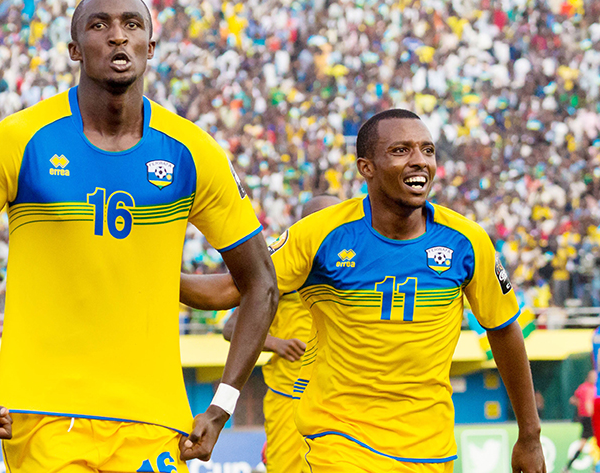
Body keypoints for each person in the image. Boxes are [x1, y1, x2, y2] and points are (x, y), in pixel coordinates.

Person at [0, 0, 278, 472]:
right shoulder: (21, 139)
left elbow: (260, 283)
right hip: (43, 415)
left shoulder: (192, 151)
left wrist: (223, 405)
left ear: (150, 48)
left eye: (132, 25)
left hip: (155, 421)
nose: (117, 37)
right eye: (99, 25)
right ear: (74, 49)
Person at [180, 109, 545, 472]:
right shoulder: (320, 233)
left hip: (430, 450)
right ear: (366, 167)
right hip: (340, 441)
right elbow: (233, 288)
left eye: (428, 150)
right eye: (401, 150)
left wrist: (529, 436)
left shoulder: (468, 242)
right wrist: (156, 277)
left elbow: (504, 329)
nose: (420, 161)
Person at [220, 195, 339, 473]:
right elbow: (230, 327)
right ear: (307, 224)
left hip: (340, 395)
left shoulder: (354, 266)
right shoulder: (282, 267)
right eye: (330, 218)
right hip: (289, 396)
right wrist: (277, 344)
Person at [564, 370, 596, 473]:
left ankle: (567, 467)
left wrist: (579, 405)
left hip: (583, 418)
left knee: (584, 444)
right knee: (595, 443)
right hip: (589, 419)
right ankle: (594, 469)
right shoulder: (590, 389)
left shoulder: (582, 387)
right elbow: (588, 403)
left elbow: (572, 399)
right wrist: (592, 415)